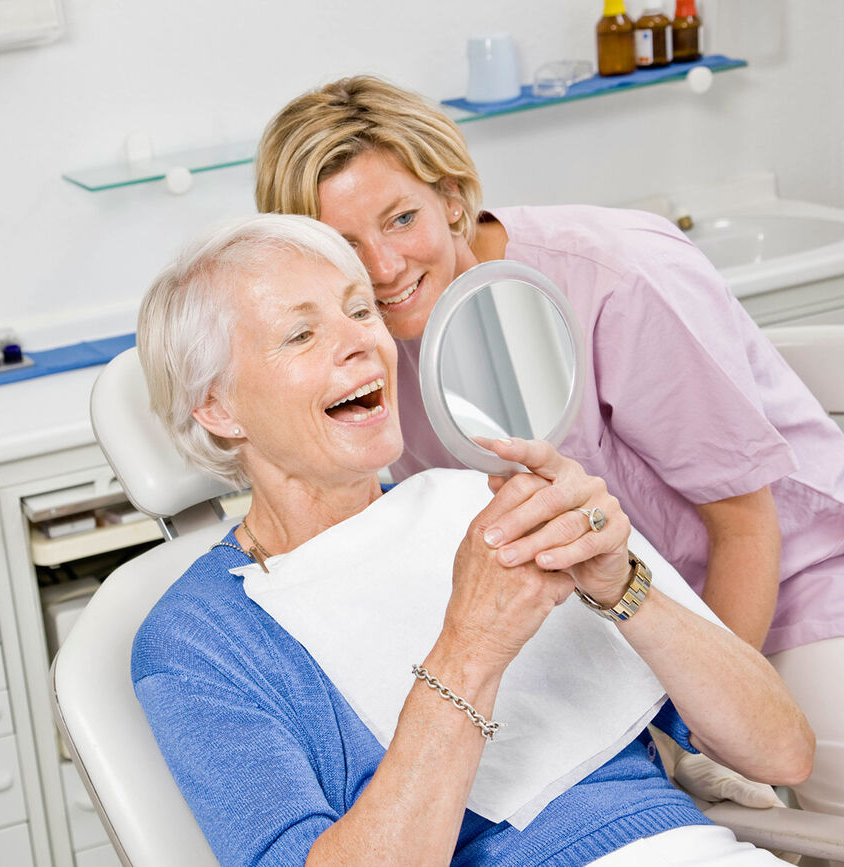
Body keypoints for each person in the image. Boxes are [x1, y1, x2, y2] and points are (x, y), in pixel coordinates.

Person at [131, 213, 813, 866]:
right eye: (300, 335)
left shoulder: (482, 502)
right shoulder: (199, 641)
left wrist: (625, 587)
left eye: (360, 310)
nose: (361, 341)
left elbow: (784, 751)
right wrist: (473, 645)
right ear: (217, 408)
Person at [253, 75, 844, 817]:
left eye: (401, 218)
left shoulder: (617, 280)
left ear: (453, 197)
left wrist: (704, 730)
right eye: (343, 247)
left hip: (791, 596)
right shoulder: (369, 356)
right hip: (610, 645)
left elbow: (747, 524)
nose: (383, 268)